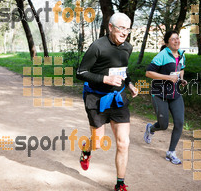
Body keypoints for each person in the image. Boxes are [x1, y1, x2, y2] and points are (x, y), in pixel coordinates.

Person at [76, 12, 138, 191]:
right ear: (110, 27)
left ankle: (120, 184)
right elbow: (80, 73)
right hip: (96, 98)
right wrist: (105, 79)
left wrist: (130, 84)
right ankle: (87, 150)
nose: (125, 32)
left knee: (123, 142)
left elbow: (123, 71)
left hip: (118, 98)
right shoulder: (97, 46)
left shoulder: (128, 47)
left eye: (127, 29)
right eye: (121, 28)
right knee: (97, 142)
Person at [144, 30, 187, 165]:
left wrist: (181, 79)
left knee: (179, 122)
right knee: (163, 125)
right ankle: (151, 129)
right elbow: (149, 73)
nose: (176, 41)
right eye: (173, 39)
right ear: (167, 42)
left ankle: (171, 152)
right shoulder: (162, 55)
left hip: (174, 94)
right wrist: (168, 77)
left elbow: (181, 69)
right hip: (159, 94)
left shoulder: (181, 55)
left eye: (177, 38)